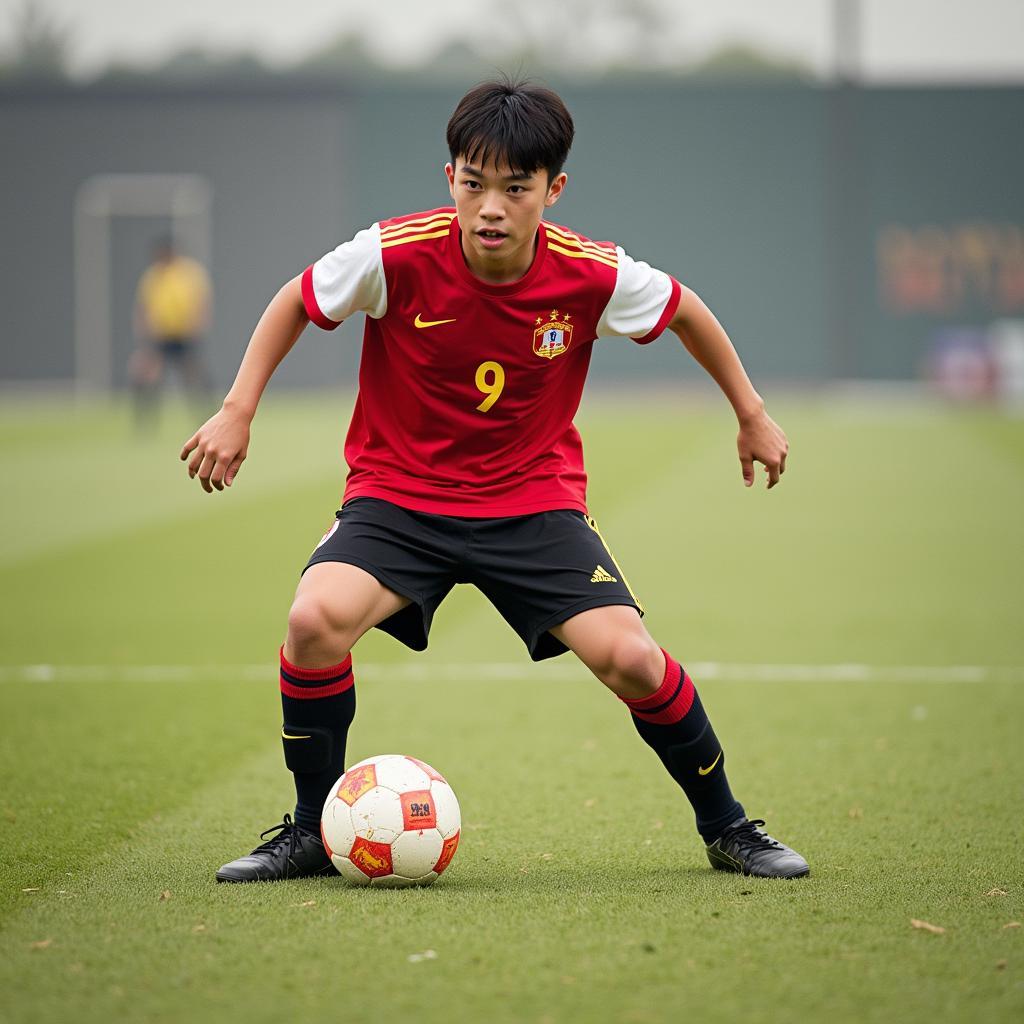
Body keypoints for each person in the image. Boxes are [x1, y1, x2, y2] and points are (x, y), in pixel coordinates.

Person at [181, 77, 808, 883]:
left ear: (553, 189)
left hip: (532, 504)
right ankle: (309, 830)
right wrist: (238, 410)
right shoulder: (392, 254)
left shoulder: (591, 274)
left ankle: (729, 827)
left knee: (633, 661)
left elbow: (686, 309)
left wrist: (751, 413)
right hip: (398, 498)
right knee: (312, 622)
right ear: (450, 178)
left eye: (516, 189)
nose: (491, 208)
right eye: (474, 183)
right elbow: (294, 302)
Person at [131, 236, 213, 430]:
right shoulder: (153, 276)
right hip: (160, 336)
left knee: (193, 376)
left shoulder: (190, 273)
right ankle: (145, 421)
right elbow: (143, 306)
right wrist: (145, 334)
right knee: (147, 375)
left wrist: (198, 325)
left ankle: (208, 416)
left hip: (185, 334)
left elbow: (201, 302)